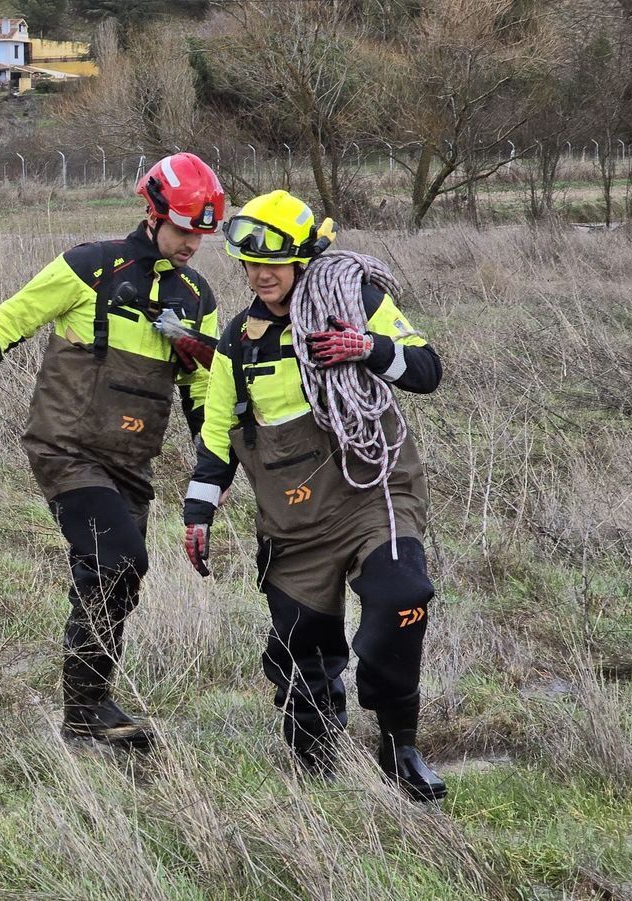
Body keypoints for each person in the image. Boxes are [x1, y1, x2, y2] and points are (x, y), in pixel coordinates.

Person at [0, 152, 225, 748]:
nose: (193, 243)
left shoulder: (196, 296)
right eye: (185, 229)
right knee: (117, 561)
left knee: (116, 578)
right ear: (153, 214)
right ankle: (87, 709)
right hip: (66, 450)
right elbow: (10, 319)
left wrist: (213, 469)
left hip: (132, 463)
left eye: (201, 234)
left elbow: (201, 392)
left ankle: (85, 714)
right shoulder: (89, 267)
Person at [181, 190, 446, 800]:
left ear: (304, 259)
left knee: (402, 597)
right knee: (300, 650)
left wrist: (368, 349)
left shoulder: (354, 302)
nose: (260, 275)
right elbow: (218, 439)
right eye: (249, 264)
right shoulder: (237, 344)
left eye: (273, 262)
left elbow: (427, 370)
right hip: (293, 522)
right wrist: (199, 512)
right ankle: (316, 762)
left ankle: (399, 745)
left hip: (374, 494)